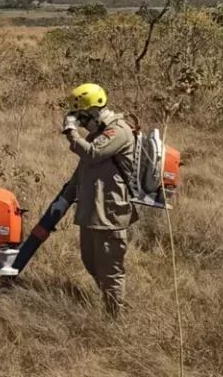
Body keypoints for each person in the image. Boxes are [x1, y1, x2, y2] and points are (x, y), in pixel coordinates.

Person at [61, 83, 138, 317]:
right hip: (92, 213)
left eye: (82, 117)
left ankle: (116, 319)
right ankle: (112, 303)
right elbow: (83, 169)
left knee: (110, 269)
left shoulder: (118, 131)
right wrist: (65, 197)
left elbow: (92, 154)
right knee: (91, 263)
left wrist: (70, 131)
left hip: (110, 214)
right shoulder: (98, 135)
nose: (81, 123)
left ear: (94, 110)